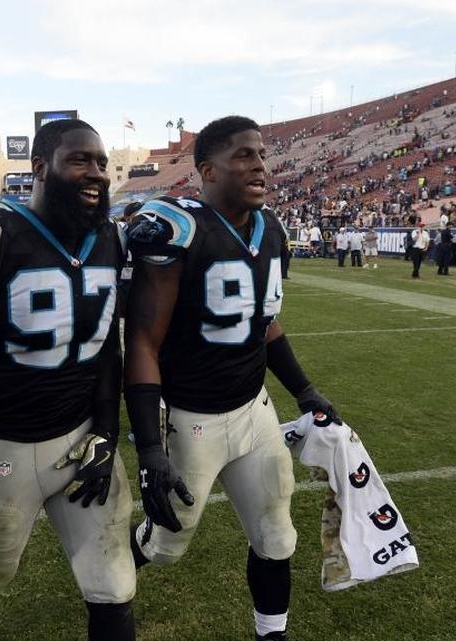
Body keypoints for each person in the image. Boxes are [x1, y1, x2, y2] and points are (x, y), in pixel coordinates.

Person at [0, 119, 135, 641]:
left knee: (114, 585)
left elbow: (107, 349)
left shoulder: (109, 238)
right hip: (0, 453)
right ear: (39, 168)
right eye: (81, 160)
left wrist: (107, 433)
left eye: (102, 163)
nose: (97, 174)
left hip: (81, 440)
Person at [124, 116, 341, 641]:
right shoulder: (177, 228)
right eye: (244, 155)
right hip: (191, 418)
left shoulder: (271, 230)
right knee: (165, 543)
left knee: (276, 533)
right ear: (207, 171)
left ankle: (273, 632)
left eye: (261, 154)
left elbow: (262, 322)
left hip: (253, 409)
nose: (260, 165)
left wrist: (303, 388)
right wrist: (151, 450)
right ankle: (106, 577)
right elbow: (143, 342)